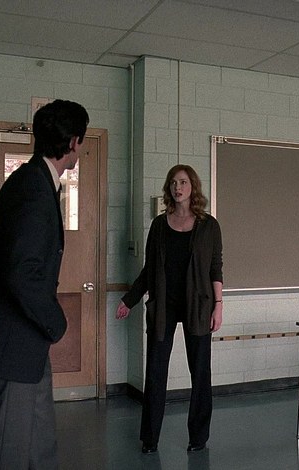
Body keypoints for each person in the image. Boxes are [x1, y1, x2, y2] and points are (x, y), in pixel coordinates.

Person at [0, 99, 89, 469]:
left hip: (26, 345)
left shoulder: (36, 182)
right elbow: (22, 273)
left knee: (39, 447)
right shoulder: (32, 187)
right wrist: (56, 322)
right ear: (73, 142)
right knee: (8, 453)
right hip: (13, 345)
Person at [116, 164, 224, 454]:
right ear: (169, 188)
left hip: (198, 306)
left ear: (193, 187)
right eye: (174, 183)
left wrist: (218, 306)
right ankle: (149, 439)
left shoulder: (209, 226)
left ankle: (198, 438)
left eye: (184, 182)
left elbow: (215, 269)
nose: (178, 187)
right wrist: (129, 300)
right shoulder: (159, 226)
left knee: (200, 373)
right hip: (164, 306)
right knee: (155, 373)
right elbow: (148, 270)